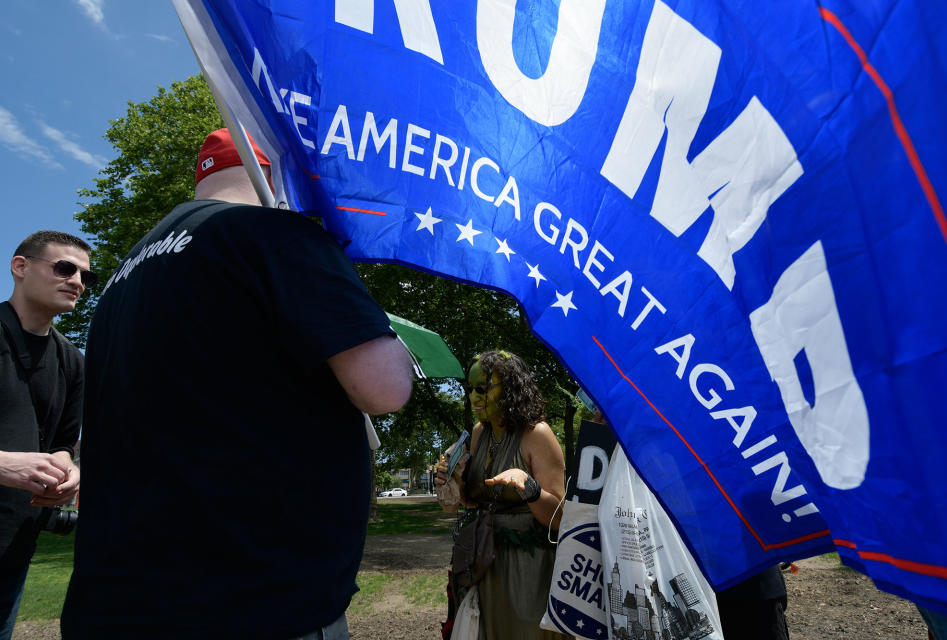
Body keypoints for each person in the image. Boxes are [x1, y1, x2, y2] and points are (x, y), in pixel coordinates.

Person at [60, 128, 412, 639]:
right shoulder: (272, 235)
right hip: (248, 600)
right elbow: (386, 389)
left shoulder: (121, 278)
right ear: (278, 172)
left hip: (116, 600)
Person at [436, 350, 569, 640]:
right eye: (470, 389)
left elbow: (559, 518)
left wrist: (529, 486)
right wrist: (454, 481)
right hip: (484, 565)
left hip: (528, 573)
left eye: (482, 389)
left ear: (510, 388)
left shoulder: (537, 434)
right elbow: (475, 500)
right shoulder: (478, 433)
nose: (473, 397)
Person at [0, 231, 88, 640]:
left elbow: (62, 444)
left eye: (84, 275)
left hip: (14, 548)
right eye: (64, 268)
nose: (77, 282)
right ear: (20, 267)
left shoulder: (72, 360)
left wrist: (67, 469)